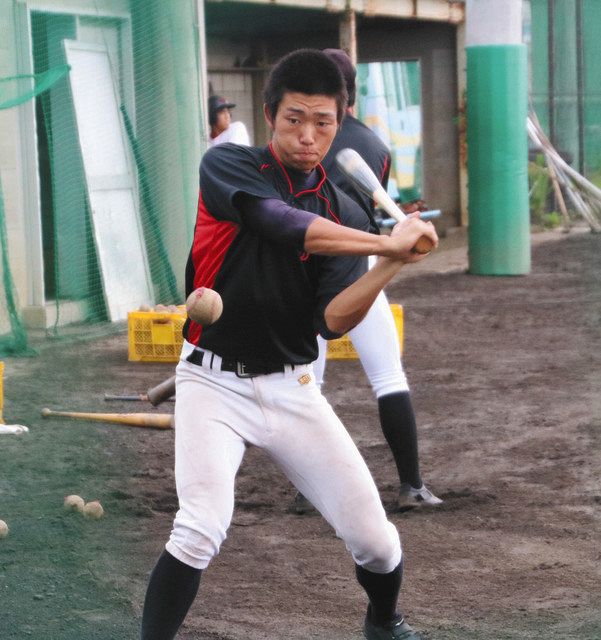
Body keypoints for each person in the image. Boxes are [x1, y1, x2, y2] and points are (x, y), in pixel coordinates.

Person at [140, 49, 438, 640]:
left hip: (293, 388)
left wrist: (394, 263)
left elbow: (331, 321)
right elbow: (282, 223)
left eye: (322, 122)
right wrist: (383, 244)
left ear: (341, 121)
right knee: (200, 528)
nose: (307, 136)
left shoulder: (344, 205)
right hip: (211, 381)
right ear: (270, 115)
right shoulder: (229, 166)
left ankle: (383, 621)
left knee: (377, 543)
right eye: (293, 119)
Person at [292, 49, 441, 514]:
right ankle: (412, 485)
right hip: (359, 273)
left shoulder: (295, 141)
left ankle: (306, 491)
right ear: (353, 91)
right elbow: (369, 221)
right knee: (388, 376)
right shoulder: (373, 145)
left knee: (305, 387)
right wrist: (397, 237)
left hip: (302, 277)